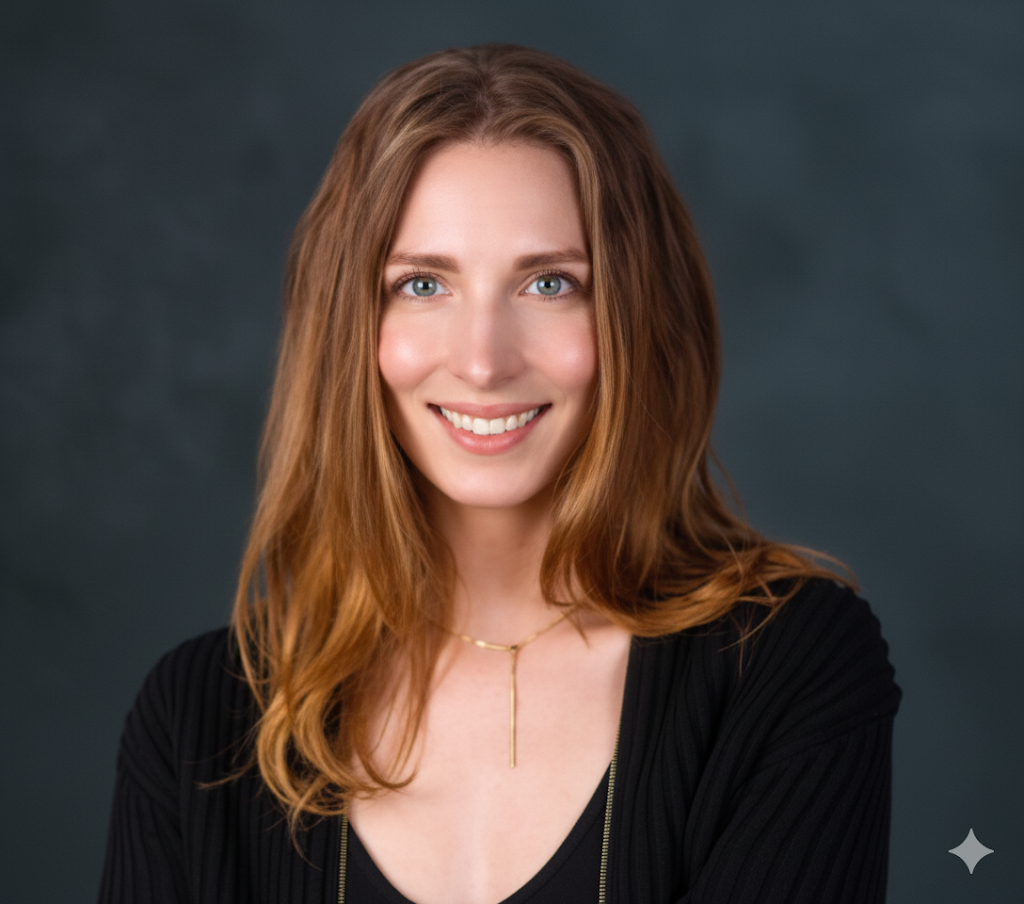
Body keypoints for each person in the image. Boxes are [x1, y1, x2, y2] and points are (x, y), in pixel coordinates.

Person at [98, 44, 901, 904]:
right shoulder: (196, 720)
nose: (483, 361)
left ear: (638, 314)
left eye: (550, 283)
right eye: (421, 285)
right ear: (349, 324)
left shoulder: (786, 668)